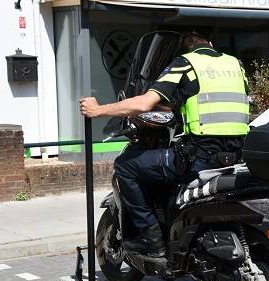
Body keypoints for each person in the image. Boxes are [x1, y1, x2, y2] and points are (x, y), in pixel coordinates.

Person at [80, 32, 249, 259]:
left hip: (199, 158)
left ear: (187, 51)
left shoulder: (186, 64)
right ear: (210, 44)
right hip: (233, 157)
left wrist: (98, 110)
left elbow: (144, 102)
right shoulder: (235, 65)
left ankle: (152, 240)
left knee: (125, 165)